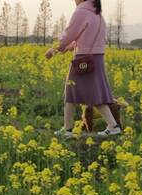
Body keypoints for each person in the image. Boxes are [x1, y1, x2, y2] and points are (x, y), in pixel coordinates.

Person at [46, 0, 122, 138]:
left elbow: (69, 34)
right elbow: (85, 35)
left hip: (83, 59)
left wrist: (54, 49)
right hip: (96, 58)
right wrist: (70, 47)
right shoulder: (98, 14)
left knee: (70, 92)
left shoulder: (81, 12)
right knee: (95, 95)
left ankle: (67, 130)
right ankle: (113, 126)